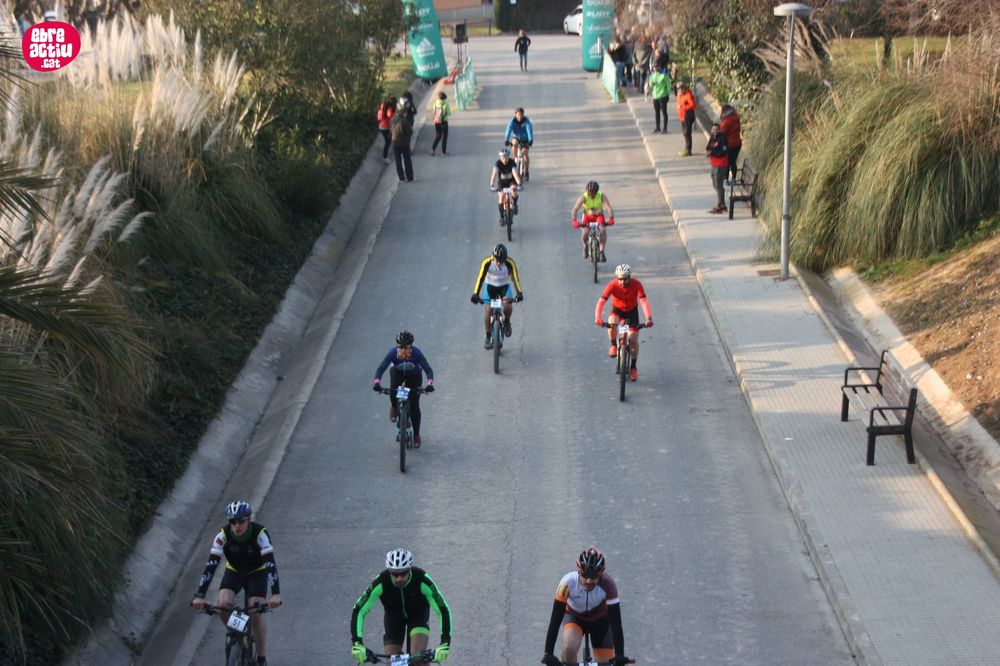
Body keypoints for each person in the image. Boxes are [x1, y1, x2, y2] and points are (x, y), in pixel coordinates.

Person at [191, 500, 282, 666]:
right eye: (233, 521)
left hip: (257, 572)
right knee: (223, 605)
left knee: (255, 611)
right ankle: (238, 632)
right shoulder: (223, 535)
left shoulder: (260, 533)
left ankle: (261, 658)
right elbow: (211, 565)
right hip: (234, 572)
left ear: (249, 519)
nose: (237, 525)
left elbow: (270, 564)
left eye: (241, 521)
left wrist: (275, 594)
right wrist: (200, 595)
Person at [351, 548, 452, 665]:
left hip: (418, 618)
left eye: (403, 573)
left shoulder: (422, 579)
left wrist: (444, 643)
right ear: (389, 571)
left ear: (409, 570)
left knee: (417, 658)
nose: (399, 578)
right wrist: (357, 643)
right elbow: (359, 609)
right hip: (394, 619)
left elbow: (443, 609)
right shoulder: (381, 582)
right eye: (395, 574)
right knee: (392, 663)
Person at [541, 548, 628, 666]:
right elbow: (555, 621)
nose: (588, 580)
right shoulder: (567, 583)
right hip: (575, 618)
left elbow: (616, 623)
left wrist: (619, 655)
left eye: (594, 576)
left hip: (600, 620)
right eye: (585, 575)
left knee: (606, 663)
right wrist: (548, 653)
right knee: (569, 648)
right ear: (579, 571)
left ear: (601, 574)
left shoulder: (609, 585)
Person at [373, 331, 435, 447]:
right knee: (393, 388)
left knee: (415, 406)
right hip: (398, 373)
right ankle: (394, 407)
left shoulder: (417, 353)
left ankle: (416, 435)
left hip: (414, 376)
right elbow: (381, 368)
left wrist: (429, 384)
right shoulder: (392, 353)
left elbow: (428, 370)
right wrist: (377, 383)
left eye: (406, 348)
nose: (403, 350)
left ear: (411, 347)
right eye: (400, 347)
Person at [594, 264, 653, 381]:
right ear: (617, 278)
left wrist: (648, 318)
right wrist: (598, 318)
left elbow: (643, 301)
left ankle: (633, 367)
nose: (622, 282)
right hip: (617, 312)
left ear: (629, 277)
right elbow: (601, 301)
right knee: (612, 323)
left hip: (632, 313)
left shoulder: (636, 284)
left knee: (633, 340)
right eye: (620, 279)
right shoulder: (612, 285)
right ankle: (614, 345)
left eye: (625, 279)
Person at [471, 243, 523, 350]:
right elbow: (480, 278)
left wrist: (519, 293)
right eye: (497, 259)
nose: (499, 262)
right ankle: (487, 336)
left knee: (507, 304)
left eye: (501, 260)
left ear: (505, 258)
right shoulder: (487, 262)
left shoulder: (510, 263)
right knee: (489, 309)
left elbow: (515, 278)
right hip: (490, 286)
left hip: (504, 286)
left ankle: (507, 322)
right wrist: (475, 294)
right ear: (493, 256)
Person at [571, 180, 615, 262]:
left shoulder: (601, 196)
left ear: (596, 192)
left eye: (592, 193)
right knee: (585, 233)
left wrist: (611, 217)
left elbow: (608, 207)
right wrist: (574, 220)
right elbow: (575, 209)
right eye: (588, 192)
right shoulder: (584, 197)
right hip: (587, 216)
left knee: (603, 230)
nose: (590, 194)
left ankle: (602, 251)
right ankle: (585, 245)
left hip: (599, 216)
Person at [490, 147, 523, 223]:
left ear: (508, 157)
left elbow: (515, 174)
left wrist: (519, 184)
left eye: (506, 157)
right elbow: (494, 174)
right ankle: (501, 217)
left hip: (511, 181)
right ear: (500, 158)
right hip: (502, 182)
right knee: (501, 197)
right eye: (502, 157)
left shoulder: (512, 162)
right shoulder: (497, 163)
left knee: (513, 191)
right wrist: (492, 185)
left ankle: (515, 204)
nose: (504, 159)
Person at [503, 107, 534, 178]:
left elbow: (529, 130)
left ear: (523, 115)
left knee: (525, 154)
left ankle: (526, 170)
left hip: (525, 139)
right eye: (518, 115)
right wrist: (506, 140)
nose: (520, 117)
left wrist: (530, 140)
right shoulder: (512, 122)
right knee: (514, 143)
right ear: (515, 115)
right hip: (516, 138)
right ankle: (515, 157)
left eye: (521, 115)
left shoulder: (526, 121)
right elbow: (508, 130)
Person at [705, 122, 729, 214]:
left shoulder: (723, 139)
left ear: (719, 130)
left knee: (718, 185)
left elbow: (722, 152)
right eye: (713, 129)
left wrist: (712, 153)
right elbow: (708, 148)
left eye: (716, 129)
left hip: (720, 165)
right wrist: (709, 152)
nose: (714, 131)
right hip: (713, 164)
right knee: (715, 185)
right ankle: (722, 204)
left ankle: (719, 205)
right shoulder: (712, 138)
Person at [390, 99, 414, 182]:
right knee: (407, 160)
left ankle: (401, 178)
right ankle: (410, 177)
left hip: (395, 143)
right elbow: (410, 131)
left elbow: (390, 130)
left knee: (398, 161)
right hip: (404, 143)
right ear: (404, 113)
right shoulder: (404, 121)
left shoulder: (392, 119)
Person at [719, 103, 743, 183]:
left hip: (729, 144)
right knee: (733, 161)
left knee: (727, 161)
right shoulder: (736, 118)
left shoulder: (727, 121)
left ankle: (726, 179)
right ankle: (733, 179)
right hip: (737, 143)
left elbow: (722, 132)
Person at [646, 63, 671, 133]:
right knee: (657, 112)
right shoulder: (652, 76)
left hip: (662, 96)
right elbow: (651, 85)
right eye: (654, 67)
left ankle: (664, 128)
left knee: (663, 112)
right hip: (656, 96)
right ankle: (658, 127)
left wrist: (667, 94)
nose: (655, 68)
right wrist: (651, 82)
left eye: (656, 67)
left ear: (659, 67)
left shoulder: (664, 75)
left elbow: (668, 86)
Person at [676, 81, 696, 157]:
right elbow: (678, 104)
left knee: (687, 133)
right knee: (685, 134)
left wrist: (683, 107)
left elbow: (693, 105)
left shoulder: (688, 95)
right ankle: (686, 149)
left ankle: (688, 150)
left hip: (688, 117)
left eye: (681, 88)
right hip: (682, 117)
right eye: (678, 89)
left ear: (684, 88)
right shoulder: (679, 95)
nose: (679, 90)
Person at [377, 96, 396, 164]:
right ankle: (384, 157)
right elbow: (391, 117)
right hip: (386, 127)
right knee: (388, 142)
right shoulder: (389, 109)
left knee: (389, 141)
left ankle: (387, 155)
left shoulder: (383, 106)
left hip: (382, 126)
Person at [430, 91, 450, 156]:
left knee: (438, 136)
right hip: (443, 122)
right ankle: (444, 152)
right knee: (444, 137)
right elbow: (449, 113)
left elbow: (434, 112)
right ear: (444, 98)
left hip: (437, 121)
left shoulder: (435, 104)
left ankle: (433, 149)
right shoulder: (445, 104)